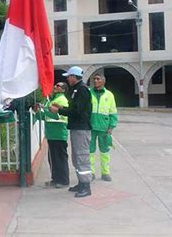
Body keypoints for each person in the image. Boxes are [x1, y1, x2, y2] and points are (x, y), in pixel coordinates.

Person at [50, 66, 92, 198]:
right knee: (76, 157)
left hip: (81, 128)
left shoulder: (82, 90)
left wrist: (59, 111)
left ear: (74, 76)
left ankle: (86, 186)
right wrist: (62, 108)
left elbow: (77, 111)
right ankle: (81, 183)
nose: (67, 78)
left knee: (82, 156)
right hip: (76, 127)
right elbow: (74, 108)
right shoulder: (76, 89)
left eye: (69, 76)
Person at [35, 82, 69, 188]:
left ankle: (63, 180)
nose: (55, 86)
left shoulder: (62, 100)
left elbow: (58, 116)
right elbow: (47, 115)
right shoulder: (54, 99)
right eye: (55, 85)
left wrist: (44, 111)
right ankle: (55, 179)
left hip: (59, 133)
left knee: (60, 158)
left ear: (63, 89)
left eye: (58, 86)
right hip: (52, 133)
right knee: (53, 159)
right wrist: (38, 113)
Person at [90, 74, 118, 182]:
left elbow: (113, 111)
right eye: (94, 79)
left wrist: (111, 127)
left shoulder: (109, 95)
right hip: (91, 127)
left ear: (103, 81)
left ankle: (105, 173)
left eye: (98, 79)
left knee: (105, 151)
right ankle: (91, 173)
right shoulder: (89, 93)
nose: (96, 81)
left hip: (104, 128)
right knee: (90, 152)